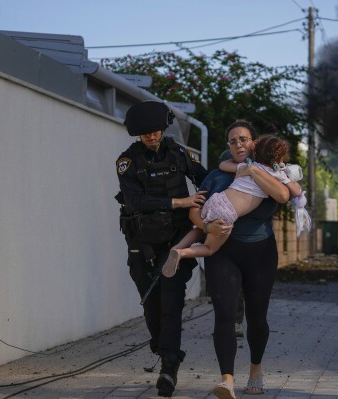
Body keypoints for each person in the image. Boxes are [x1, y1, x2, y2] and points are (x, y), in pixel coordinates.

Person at [115, 101, 208, 397]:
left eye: (155, 132)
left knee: (172, 303)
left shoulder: (180, 153)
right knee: (151, 304)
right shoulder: (126, 162)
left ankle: (169, 367)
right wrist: (180, 202)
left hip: (176, 241)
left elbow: (206, 179)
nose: (152, 137)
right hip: (142, 243)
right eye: (145, 135)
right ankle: (162, 346)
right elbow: (135, 203)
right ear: (137, 135)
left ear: (163, 129)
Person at [194, 120, 290, 399]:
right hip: (223, 252)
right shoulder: (216, 175)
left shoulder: (272, 172)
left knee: (257, 318)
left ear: (254, 142)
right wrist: (206, 226)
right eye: (233, 140)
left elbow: (284, 195)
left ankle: (256, 370)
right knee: (224, 315)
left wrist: (251, 170)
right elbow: (194, 211)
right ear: (228, 145)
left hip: (260, 252)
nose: (238, 144)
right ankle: (227, 380)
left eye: (244, 139)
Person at [161, 135, 303, 277]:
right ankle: (182, 253)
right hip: (227, 213)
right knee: (209, 248)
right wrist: (284, 172)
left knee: (201, 228)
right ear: (278, 159)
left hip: (217, 199)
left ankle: (177, 247)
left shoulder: (247, 166)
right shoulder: (276, 175)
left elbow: (222, 165)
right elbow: (296, 192)